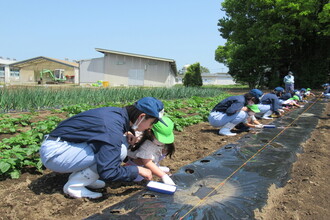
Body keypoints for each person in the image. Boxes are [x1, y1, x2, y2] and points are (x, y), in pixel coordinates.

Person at [39, 97, 167, 199]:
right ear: (141, 117)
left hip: (63, 146)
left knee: (121, 143)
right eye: (152, 122)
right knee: (120, 150)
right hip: (56, 154)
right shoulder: (111, 128)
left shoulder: (116, 115)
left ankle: (86, 178)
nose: (150, 127)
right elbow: (108, 171)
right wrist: (137, 170)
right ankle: (74, 186)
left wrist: (129, 132)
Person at [126, 116, 176, 185]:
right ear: (150, 132)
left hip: (148, 157)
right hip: (138, 162)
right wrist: (164, 176)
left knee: (164, 150)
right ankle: (130, 168)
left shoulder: (155, 142)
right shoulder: (146, 146)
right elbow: (148, 162)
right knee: (137, 178)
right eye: (160, 138)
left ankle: (155, 168)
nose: (162, 142)